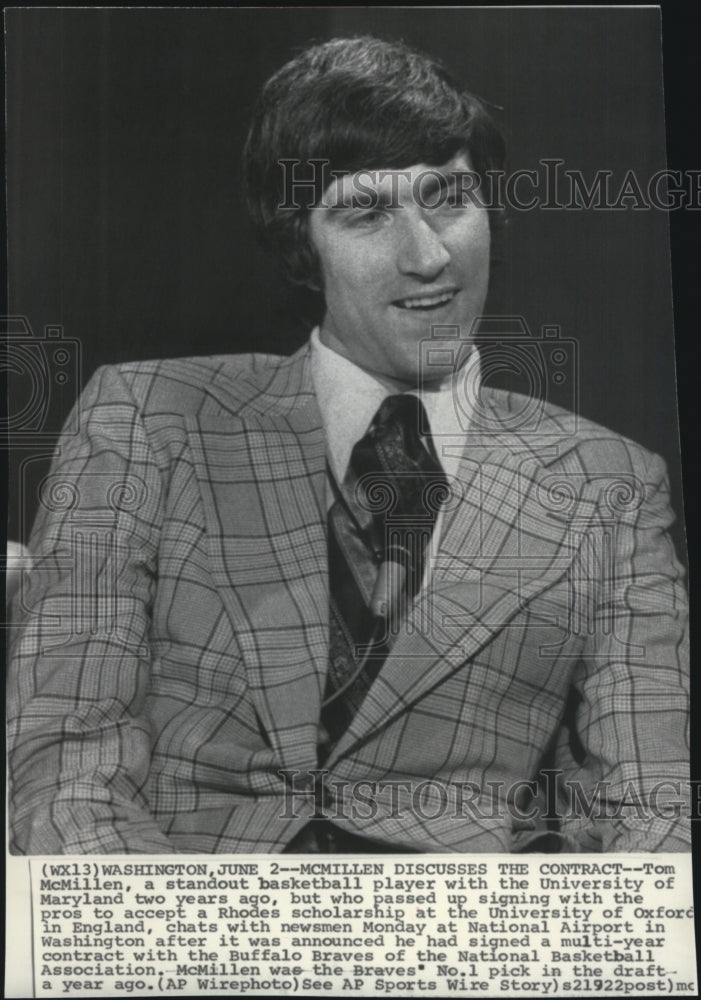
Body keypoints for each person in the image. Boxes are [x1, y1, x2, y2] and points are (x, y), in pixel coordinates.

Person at [7, 36, 689, 854]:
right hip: (187, 931)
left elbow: (654, 808)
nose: (428, 254)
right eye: (366, 211)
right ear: (302, 243)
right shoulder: (147, 418)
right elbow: (66, 761)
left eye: (449, 197)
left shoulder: (609, 483)